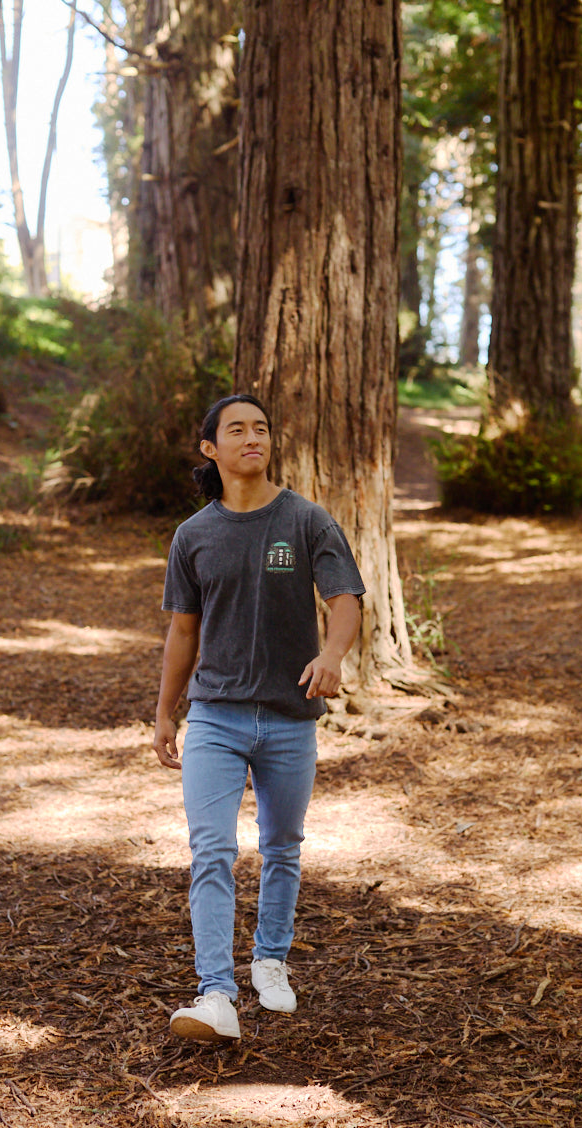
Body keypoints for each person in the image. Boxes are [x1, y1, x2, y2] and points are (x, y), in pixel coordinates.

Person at [153, 394, 364, 1042]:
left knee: (281, 847)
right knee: (211, 848)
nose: (253, 437)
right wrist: (166, 714)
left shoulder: (305, 520)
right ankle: (216, 993)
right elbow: (182, 633)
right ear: (210, 449)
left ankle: (270, 958)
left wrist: (331, 653)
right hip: (214, 716)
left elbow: (346, 599)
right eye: (237, 429)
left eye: (262, 428)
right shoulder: (194, 535)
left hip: (289, 717)